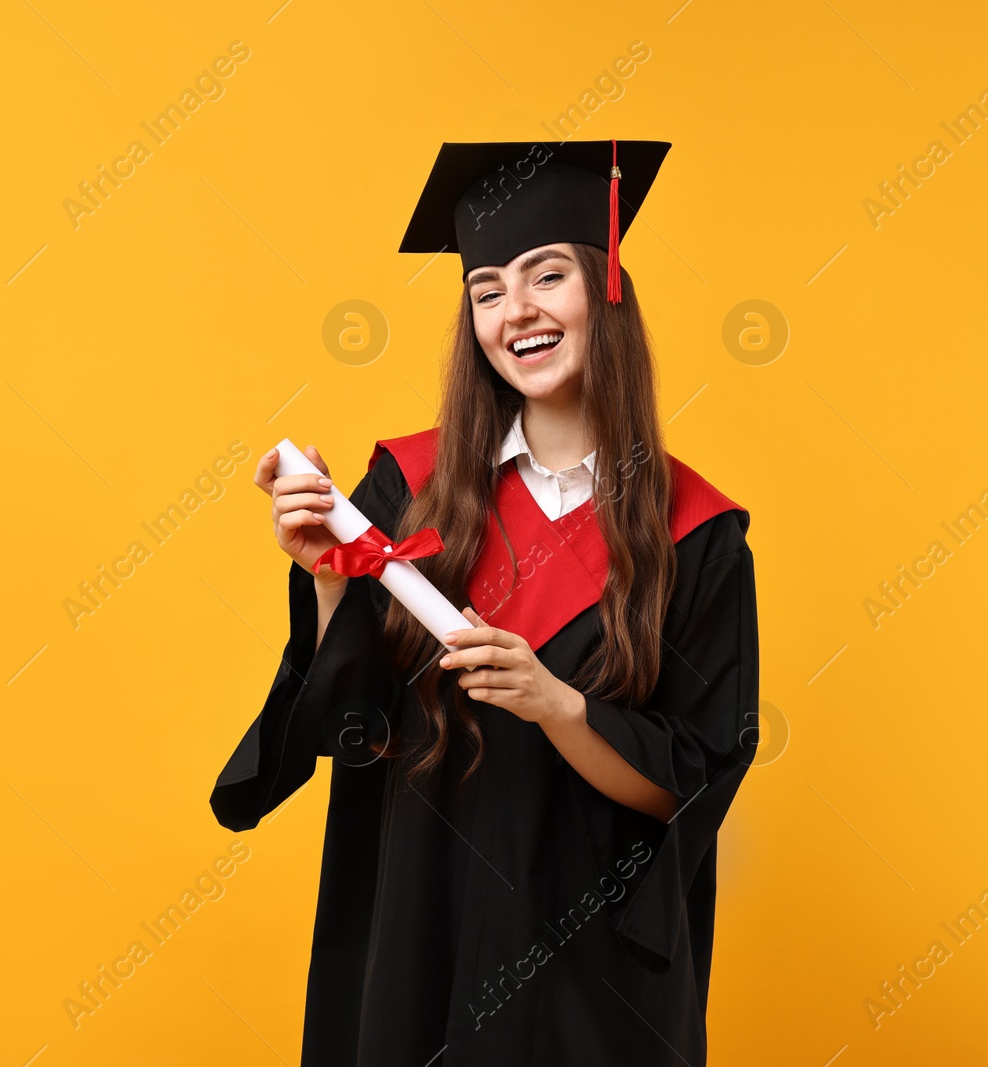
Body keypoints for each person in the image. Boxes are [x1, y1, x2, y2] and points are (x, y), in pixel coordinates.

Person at [210, 139, 759, 1066]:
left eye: (548, 276)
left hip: (590, 970)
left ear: (607, 287)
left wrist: (559, 706)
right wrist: (330, 572)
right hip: (423, 929)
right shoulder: (407, 491)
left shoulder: (696, 535)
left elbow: (690, 781)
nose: (519, 312)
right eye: (489, 290)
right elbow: (355, 723)